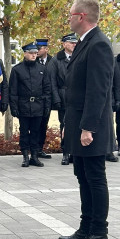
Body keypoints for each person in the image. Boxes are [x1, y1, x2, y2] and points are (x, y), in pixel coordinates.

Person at [58, 0, 114, 239]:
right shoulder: (84, 43)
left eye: (70, 14)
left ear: (81, 17)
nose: (68, 18)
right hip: (79, 121)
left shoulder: (99, 44)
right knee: (82, 176)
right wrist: (71, 124)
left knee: (94, 177)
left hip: (93, 125)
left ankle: (99, 234)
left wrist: (88, 127)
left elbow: (97, 90)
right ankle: (86, 227)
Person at [9, 42, 51, 167]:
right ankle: (25, 157)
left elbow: (47, 89)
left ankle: (34, 156)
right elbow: (13, 91)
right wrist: (14, 107)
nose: (34, 55)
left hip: (38, 105)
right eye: (31, 53)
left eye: (35, 53)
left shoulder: (42, 69)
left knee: (35, 132)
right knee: (24, 132)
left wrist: (46, 106)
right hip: (24, 105)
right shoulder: (17, 70)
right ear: (25, 54)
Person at [53, 33, 76, 165]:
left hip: (77, 97)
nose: (74, 45)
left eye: (75, 42)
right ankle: (66, 152)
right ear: (64, 44)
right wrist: (57, 98)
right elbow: (53, 81)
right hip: (63, 96)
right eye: (71, 42)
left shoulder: (79, 56)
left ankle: (75, 152)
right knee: (65, 125)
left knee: (77, 125)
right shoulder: (57, 60)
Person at [35, 39, 54, 158]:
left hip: (47, 98)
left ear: (46, 49)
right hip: (36, 99)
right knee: (35, 125)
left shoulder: (53, 61)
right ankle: (33, 150)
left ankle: (40, 149)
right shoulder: (32, 61)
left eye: (39, 49)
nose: (36, 51)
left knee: (43, 125)